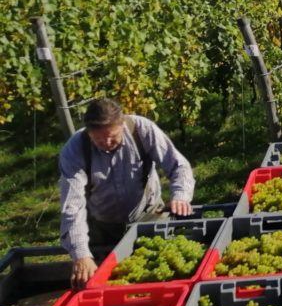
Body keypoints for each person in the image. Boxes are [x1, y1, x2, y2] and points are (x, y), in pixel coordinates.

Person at [58, 98, 195, 289]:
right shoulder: (74, 150)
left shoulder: (142, 130)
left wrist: (180, 196)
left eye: (112, 136)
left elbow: (178, 166)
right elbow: (72, 205)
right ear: (89, 132)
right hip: (103, 225)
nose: (106, 142)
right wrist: (81, 254)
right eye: (98, 139)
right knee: (110, 283)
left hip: (148, 215)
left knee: (161, 276)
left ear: (122, 124)